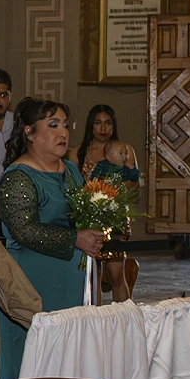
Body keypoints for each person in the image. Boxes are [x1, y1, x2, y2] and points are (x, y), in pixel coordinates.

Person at [0, 98, 105, 379]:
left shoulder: (70, 170)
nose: (63, 133)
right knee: (35, 358)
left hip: (70, 280)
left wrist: (97, 227)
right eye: (53, 125)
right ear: (29, 132)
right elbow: (23, 230)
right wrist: (75, 238)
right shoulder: (18, 177)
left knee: (68, 356)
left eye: (66, 126)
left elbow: (82, 214)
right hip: (33, 284)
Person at [76, 102, 142, 302]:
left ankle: (124, 321)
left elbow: (134, 184)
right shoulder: (78, 152)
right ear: (90, 126)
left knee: (116, 274)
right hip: (89, 219)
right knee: (91, 274)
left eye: (108, 123)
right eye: (98, 123)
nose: (103, 129)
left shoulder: (125, 150)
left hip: (114, 219)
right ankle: (95, 322)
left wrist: (111, 191)